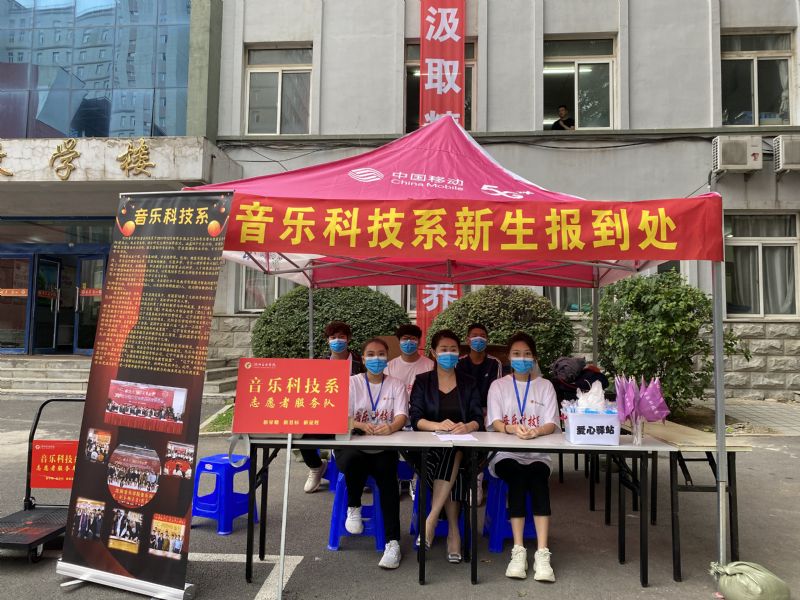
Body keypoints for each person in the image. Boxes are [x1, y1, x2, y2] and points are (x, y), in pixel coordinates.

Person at [486, 332, 559, 582]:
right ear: (509, 357)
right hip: (505, 453)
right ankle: (518, 551)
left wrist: (536, 431)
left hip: (538, 453)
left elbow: (551, 423)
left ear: (535, 357)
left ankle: (542, 552)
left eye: (527, 354)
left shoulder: (545, 386)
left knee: (538, 479)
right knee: (517, 477)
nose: (522, 358)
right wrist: (511, 429)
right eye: (517, 354)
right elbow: (495, 421)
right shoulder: (498, 386)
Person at [409, 329, 482, 563]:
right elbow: (415, 418)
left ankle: (430, 521)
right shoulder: (423, 381)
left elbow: (478, 418)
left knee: (456, 452)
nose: (448, 354)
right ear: (433, 352)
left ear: (459, 353)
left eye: (453, 350)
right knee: (454, 463)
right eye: (443, 349)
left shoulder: (469, 382)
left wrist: (467, 427)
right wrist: (437, 426)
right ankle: (453, 531)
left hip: (464, 446)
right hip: (427, 450)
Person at [337, 338, 409, 570]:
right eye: (370, 354)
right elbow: (341, 416)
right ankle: (354, 506)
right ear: (363, 358)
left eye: (380, 354)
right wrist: (359, 425)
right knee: (354, 460)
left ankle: (392, 543)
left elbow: (402, 415)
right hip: (354, 444)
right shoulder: (352, 382)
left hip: (383, 446)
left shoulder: (396, 384)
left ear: (387, 357)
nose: (376, 358)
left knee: (388, 481)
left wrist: (392, 427)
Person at [302, 320, 366, 493]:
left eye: (341, 337)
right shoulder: (320, 364)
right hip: (327, 416)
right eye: (333, 337)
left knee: (355, 445)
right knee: (303, 437)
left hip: (356, 418)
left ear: (349, 338)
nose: (337, 340)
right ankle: (316, 467)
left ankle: (360, 473)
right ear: (327, 340)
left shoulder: (361, 362)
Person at [386, 324, 435, 394]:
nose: (408, 341)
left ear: (419, 342)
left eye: (413, 338)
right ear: (399, 342)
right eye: (405, 338)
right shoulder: (389, 367)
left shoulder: (431, 366)